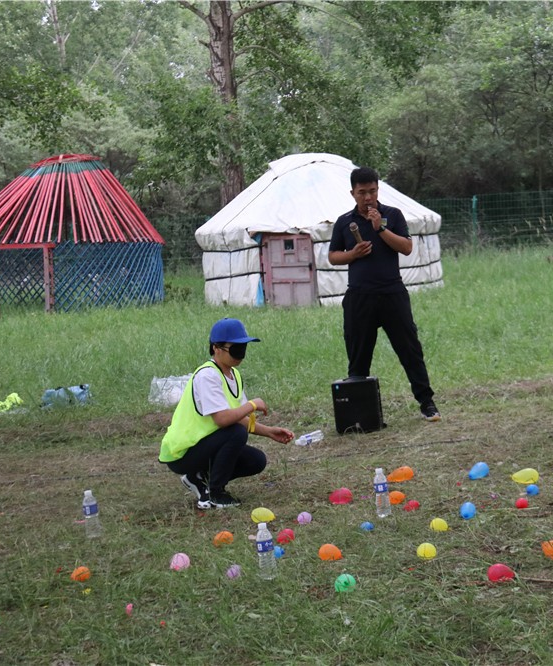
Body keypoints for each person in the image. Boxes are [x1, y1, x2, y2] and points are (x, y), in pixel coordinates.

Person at [327, 166, 440, 422]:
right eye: (362, 192)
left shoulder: (393, 214)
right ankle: (360, 415)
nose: (368, 197)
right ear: (353, 193)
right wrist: (353, 254)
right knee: (358, 354)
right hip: (360, 297)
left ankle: (427, 403)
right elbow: (333, 256)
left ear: (378, 189)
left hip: (392, 293)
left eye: (372, 191)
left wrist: (380, 229)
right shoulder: (344, 222)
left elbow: (407, 247)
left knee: (410, 350)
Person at [159, 318, 294, 509]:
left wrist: (269, 431)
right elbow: (223, 420)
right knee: (236, 433)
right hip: (182, 453)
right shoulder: (207, 375)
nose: (240, 354)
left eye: (243, 348)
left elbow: (239, 418)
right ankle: (216, 494)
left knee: (256, 461)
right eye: (235, 348)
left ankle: (198, 478)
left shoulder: (233, 375)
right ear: (216, 348)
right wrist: (252, 404)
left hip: (204, 445)